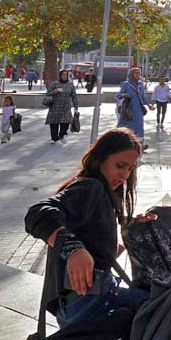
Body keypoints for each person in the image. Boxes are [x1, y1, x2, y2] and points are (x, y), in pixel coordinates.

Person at [24, 128, 153, 328]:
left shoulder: (100, 191)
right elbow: (37, 213)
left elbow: (101, 254)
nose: (124, 175)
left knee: (159, 300)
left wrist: (133, 232)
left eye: (130, 168)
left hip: (82, 303)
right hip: (86, 304)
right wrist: (73, 249)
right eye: (120, 165)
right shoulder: (90, 187)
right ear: (101, 158)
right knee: (165, 304)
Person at [116, 67, 151, 145]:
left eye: (139, 73)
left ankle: (140, 144)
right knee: (126, 126)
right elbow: (118, 95)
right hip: (129, 109)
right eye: (136, 73)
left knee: (139, 126)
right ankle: (122, 143)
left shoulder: (141, 84)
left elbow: (143, 97)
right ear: (131, 74)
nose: (138, 75)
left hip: (139, 109)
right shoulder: (126, 84)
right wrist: (124, 95)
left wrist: (148, 105)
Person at [45, 69, 78, 143]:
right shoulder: (55, 84)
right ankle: (54, 138)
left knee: (66, 123)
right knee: (54, 123)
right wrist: (54, 91)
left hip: (66, 107)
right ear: (60, 75)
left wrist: (76, 106)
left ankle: (61, 135)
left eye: (66, 74)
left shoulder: (70, 85)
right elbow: (47, 93)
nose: (64, 76)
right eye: (63, 74)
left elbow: (74, 96)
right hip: (55, 107)